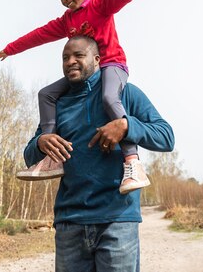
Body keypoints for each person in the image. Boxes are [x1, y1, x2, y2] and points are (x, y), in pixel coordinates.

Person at [0, 0, 175, 194]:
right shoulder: (66, 21)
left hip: (111, 65)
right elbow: (38, 35)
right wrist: (9, 50)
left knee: (109, 98)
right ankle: (52, 159)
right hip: (86, 74)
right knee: (45, 94)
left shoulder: (100, 4)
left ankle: (132, 161)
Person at [24, 36, 174, 272]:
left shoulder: (126, 94)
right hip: (69, 223)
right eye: (65, 57)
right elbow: (29, 155)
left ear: (97, 59)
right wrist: (41, 142)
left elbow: (166, 137)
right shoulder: (57, 104)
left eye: (78, 55)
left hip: (117, 221)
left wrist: (126, 126)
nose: (70, 61)